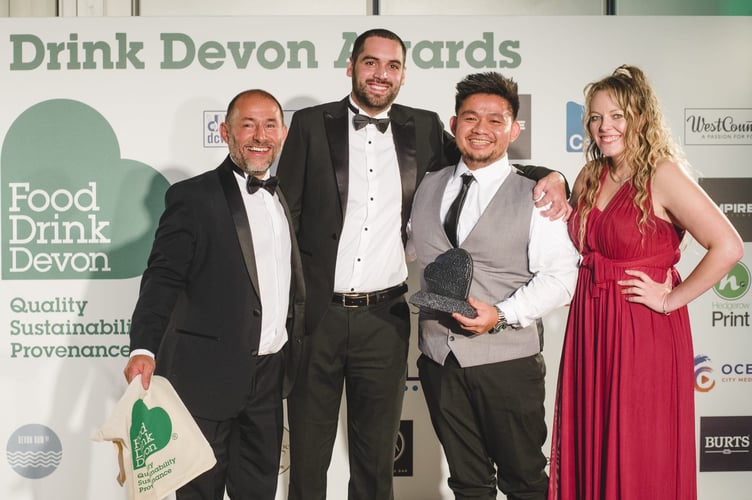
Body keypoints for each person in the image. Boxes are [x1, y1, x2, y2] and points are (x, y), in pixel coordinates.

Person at [276, 27, 569, 500]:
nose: (381, 74)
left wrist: (553, 175)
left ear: (404, 75)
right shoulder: (310, 124)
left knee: (376, 460)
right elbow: (283, 218)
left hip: (385, 319)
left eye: (392, 65)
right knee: (308, 459)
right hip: (318, 317)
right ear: (351, 67)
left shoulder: (426, 127)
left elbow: (485, 159)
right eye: (371, 62)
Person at [547, 65, 744, 500]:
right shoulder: (590, 175)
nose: (605, 127)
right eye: (595, 118)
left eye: (617, 116)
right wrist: (554, 178)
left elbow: (729, 246)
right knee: (593, 441)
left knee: (639, 448)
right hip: (591, 324)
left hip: (642, 329)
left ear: (640, 118)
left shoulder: (663, 174)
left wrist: (671, 299)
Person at [123, 89, 305, 500]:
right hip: (204, 380)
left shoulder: (283, 197)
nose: (260, 136)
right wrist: (144, 348)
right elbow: (162, 277)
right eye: (247, 125)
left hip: (269, 379)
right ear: (225, 132)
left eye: (270, 125)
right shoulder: (193, 197)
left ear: (283, 133)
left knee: (258, 492)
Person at [409, 71, 579, 500]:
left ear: (514, 129)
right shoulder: (427, 185)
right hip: (438, 360)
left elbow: (561, 277)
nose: (480, 128)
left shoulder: (537, 194)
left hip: (507, 364)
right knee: (467, 484)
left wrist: (502, 315)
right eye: (470, 118)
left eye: (495, 120)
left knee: (524, 481)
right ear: (454, 124)